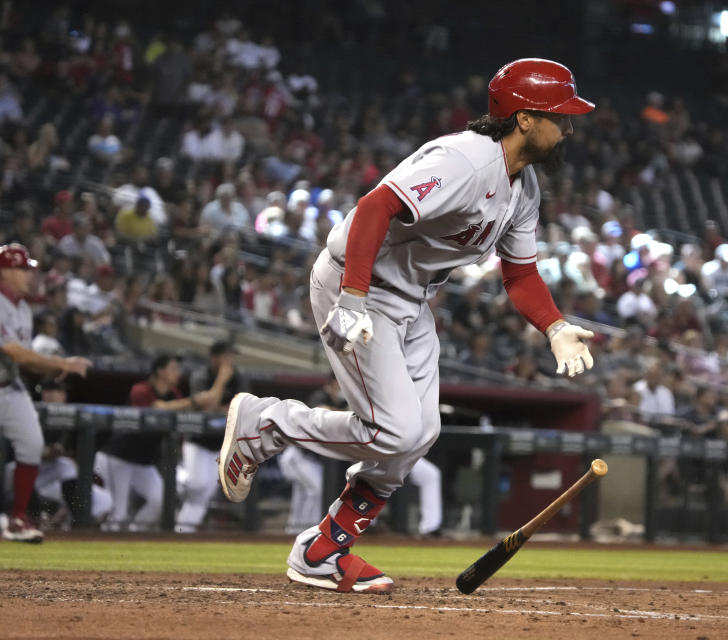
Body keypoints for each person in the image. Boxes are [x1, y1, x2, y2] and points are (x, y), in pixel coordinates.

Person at [217, 58, 596, 594]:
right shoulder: (466, 160)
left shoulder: (524, 187)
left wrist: (554, 326)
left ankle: (323, 549)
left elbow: (521, 273)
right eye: (561, 115)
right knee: (391, 430)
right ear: (525, 119)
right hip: (359, 285)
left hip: (410, 302)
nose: (571, 127)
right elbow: (376, 208)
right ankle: (268, 423)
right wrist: (351, 295)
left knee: (421, 433)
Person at [0, 244, 91, 542]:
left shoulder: (23, 308)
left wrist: (51, 369)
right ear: (6, 270)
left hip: (9, 386)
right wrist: (61, 362)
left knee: (31, 443)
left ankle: (18, 519)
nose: (30, 275)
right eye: (24, 269)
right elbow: (14, 353)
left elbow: (24, 360)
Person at [97, 354, 223, 531]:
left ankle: (133, 537)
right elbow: (156, 408)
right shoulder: (141, 389)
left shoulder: (175, 394)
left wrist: (218, 383)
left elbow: (199, 405)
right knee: (119, 514)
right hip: (118, 458)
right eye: (173, 369)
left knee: (161, 501)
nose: (177, 373)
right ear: (160, 371)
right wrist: (192, 401)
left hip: (143, 461)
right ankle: (103, 547)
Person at [176, 341, 247, 533]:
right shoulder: (201, 376)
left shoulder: (238, 377)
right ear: (213, 357)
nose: (229, 361)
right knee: (198, 486)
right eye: (226, 356)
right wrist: (221, 381)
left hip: (218, 444)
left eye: (231, 356)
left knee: (205, 493)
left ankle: (182, 531)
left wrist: (218, 405)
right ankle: (179, 483)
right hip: (197, 441)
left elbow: (239, 408)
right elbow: (207, 408)